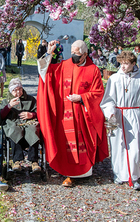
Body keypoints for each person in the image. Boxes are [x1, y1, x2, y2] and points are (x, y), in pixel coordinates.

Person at [37, 39, 108, 187]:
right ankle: (69, 173)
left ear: (85, 54)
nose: (74, 57)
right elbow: (47, 73)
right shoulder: (65, 65)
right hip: (66, 114)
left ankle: (83, 172)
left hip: (83, 114)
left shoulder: (93, 69)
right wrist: (49, 52)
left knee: (83, 144)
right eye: (73, 53)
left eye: (78, 54)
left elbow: (98, 92)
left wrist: (82, 98)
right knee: (67, 144)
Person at [100, 51, 140, 190]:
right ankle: (118, 174)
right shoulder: (115, 78)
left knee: (134, 147)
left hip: (134, 114)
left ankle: (134, 177)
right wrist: (110, 112)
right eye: (121, 63)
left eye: (126, 63)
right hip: (118, 114)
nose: (123, 66)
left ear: (133, 64)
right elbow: (108, 100)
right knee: (118, 146)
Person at [0, 78, 41, 172]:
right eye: (15, 90)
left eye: (20, 89)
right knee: (14, 129)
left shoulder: (31, 99)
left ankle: (34, 161)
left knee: (33, 129)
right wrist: (9, 106)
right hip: (14, 126)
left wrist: (32, 115)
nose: (18, 92)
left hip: (28, 124)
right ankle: (17, 161)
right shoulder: (6, 101)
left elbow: (40, 112)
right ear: (11, 91)